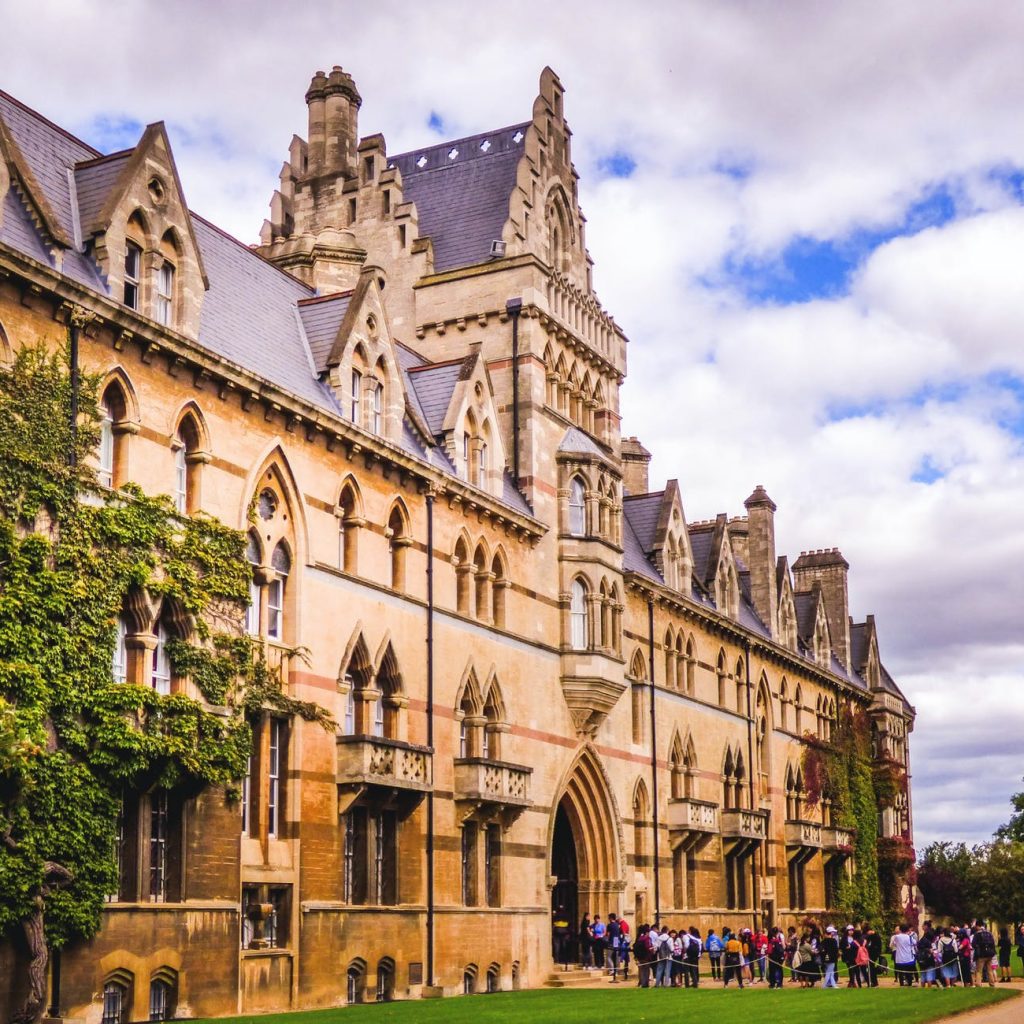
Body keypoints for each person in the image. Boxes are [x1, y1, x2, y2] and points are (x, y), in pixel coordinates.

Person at [972, 922, 997, 988]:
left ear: (978, 926)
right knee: (990, 970)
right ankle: (992, 984)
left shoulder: (977, 934)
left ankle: (978, 984)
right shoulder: (989, 933)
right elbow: (993, 943)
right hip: (989, 954)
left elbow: (973, 944)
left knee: (979, 971)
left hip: (981, 955)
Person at [552, 905, 571, 970]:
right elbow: (569, 925)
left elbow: (553, 925)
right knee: (564, 946)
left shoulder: (556, 916)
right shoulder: (566, 916)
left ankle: (557, 960)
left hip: (557, 932)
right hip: (565, 932)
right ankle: (564, 960)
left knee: (557, 946)